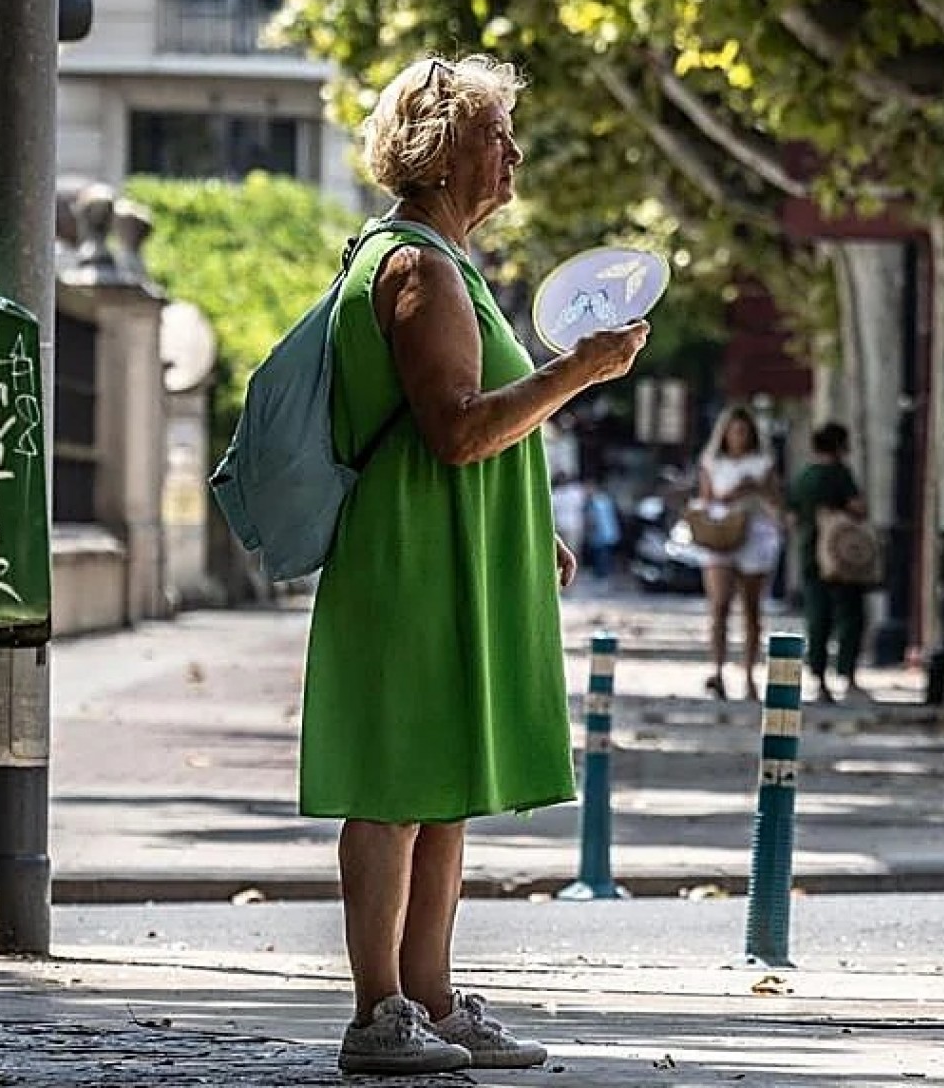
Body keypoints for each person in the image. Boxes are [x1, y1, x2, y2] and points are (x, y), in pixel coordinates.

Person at [301, 53, 648, 1076]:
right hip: (405, 557)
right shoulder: (417, 266)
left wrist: (522, 527)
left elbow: (459, 436)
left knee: (440, 782)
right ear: (448, 150)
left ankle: (433, 998)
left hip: (446, 547)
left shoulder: (441, 259)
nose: (515, 153)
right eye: (498, 134)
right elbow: (452, 430)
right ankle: (378, 1010)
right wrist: (576, 370)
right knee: (393, 782)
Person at [695, 406, 783, 699]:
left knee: (752, 608)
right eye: (734, 431)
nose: (739, 437)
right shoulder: (711, 462)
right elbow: (706, 499)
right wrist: (727, 496)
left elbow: (775, 500)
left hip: (755, 534)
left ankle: (749, 674)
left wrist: (754, 489)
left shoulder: (763, 464)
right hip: (721, 533)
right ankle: (718, 671)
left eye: (744, 431)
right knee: (719, 605)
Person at [787, 422, 869, 703]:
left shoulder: (803, 477)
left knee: (817, 617)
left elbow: (791, 516)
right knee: (849, 615)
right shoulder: (840, 475)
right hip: (842, 557)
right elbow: (858, 508)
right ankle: (847, 673)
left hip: (811, 554)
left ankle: (818, 676)